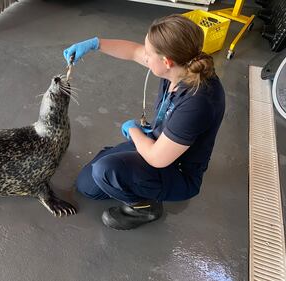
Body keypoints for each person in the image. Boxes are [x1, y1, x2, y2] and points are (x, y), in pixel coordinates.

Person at [63, 14, 225, 230]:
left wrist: (133, 130)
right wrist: (95, 44)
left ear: (167, 62)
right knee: (88, 186)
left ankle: (144, 208)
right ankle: (130, 177)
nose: (145, 57)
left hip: (176, 170)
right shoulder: (181, 64)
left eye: (149, 55)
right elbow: (133, 51)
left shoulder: (198, 101)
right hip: (158, 140)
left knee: (105, 170)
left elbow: (157, 158)